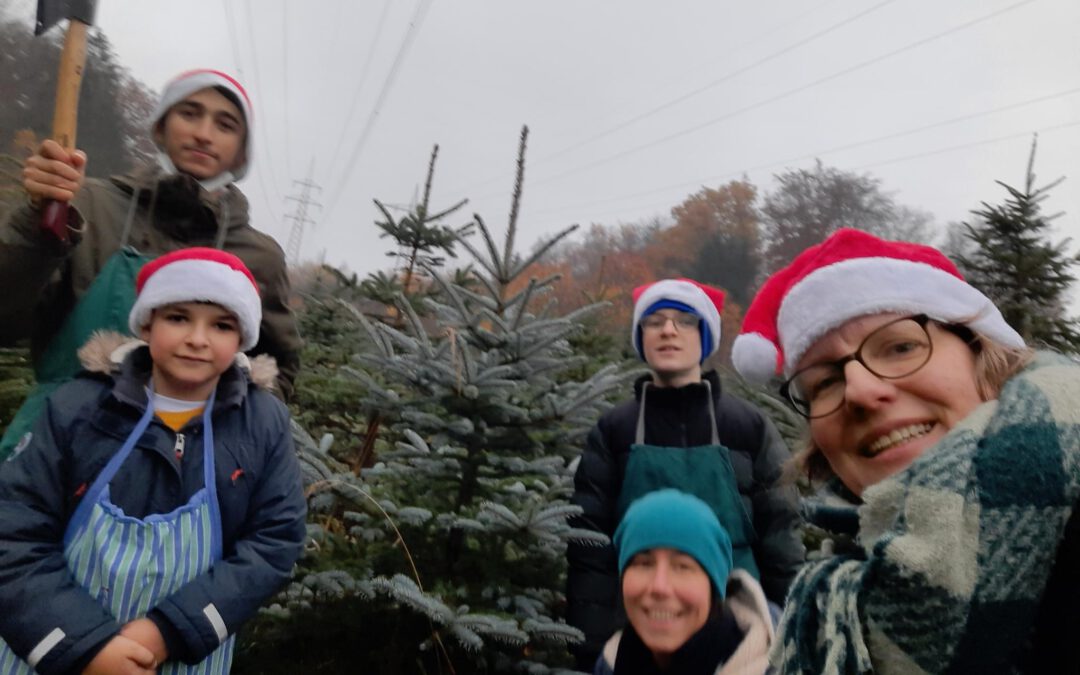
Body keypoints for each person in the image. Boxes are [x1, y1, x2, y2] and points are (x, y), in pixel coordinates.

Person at [731, 227, 1080, 673]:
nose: (858, 390)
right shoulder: (830, 601)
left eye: (899, 346)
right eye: (825, 382)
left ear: (983, 353)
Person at [0, 248, 307, 675]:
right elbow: (13, 532)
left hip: (180, 655)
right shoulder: (78, 408)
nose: (197, 339)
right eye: (178, 317)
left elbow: (275, 542)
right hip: (58, 654)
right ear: (147, 323)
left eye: (221, 325)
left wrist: (169, 632)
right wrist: (83, 647)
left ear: (242, 339)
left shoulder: (262, 423)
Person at [0, 68, 302, 459]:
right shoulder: (86, 206)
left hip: (185, 464)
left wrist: (231, 434)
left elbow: (278, 368)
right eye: (189, 114)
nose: (204, 134)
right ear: (160, 127)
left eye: (225, 124)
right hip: (57, 451)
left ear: (243, 151)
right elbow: (6, 321)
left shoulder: (259, 255)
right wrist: (36, 224)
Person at [568, 278, 804, 668]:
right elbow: (590, 548)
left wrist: (793, 627)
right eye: (654, 321)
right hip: (643, 622)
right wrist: (591, 647)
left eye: (685, 320)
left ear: (706, 336)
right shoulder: (614, 430)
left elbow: (780, 533)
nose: (667, 330)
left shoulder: (747, 426)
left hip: (740, 629)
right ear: (641, 337)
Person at [594, 489, 774, 675]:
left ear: (714, 587)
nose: (659, 586)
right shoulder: (610, 664)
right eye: (644, 564)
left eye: (682, 567)